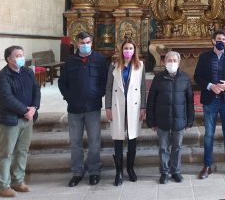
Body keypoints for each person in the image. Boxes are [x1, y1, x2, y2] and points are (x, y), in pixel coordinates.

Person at [58, 32, 109, 187]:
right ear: (77, 43)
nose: (85, 45)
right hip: (74, 108)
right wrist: (69, 97)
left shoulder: (100, 59)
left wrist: (97, 94)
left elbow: (106, 81)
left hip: (93, 107)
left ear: (91, 43)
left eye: (87, 42)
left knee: (94, 141)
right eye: (82, 42)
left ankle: (94, 170)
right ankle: (77, 172)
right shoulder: (70, 61)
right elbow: (62, 82)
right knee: (75, 142)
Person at [194, 29, 225, 179]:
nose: (222, 42)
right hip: (210, 101)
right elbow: (197, 77)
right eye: (219, 39)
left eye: (224, 40)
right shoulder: (204, 57)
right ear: (213, 41)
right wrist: (210, 86)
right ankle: (207, 166)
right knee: (209, 134)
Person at [0, 45, 40, 198]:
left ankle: (18, 181)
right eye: (17, 56)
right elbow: (7, 99)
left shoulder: (27, 72)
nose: (21, 58)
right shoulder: (2, 76)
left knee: (22, 151)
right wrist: (26, 110)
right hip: (10, 120)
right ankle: (3, 186)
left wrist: (34, 107)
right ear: (9, 59)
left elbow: (36, 89)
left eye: (22, 55)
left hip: (27, 118)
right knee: (6, 153)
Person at [146, 51, 194, 184]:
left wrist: (189, 120)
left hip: (179, 119)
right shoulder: (158, 78)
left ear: (179, 63)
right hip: (162, 119)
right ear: (164, 62)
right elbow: (151, 100)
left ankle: (176, 171)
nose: (172, 63)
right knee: (163, 147)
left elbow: (190, 101)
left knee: (177, 147)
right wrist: (151, 121)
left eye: (174, 60)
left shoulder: (185, 78)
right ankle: (164, 172)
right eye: (169, 60)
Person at [105, 38, 147, 186]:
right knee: (118, 137)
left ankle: (130, 169)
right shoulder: (114, 65)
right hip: (117, 105)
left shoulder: (140, 65)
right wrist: (108, 108)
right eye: (125, 48)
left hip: (134, 106)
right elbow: (109, 88)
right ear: (121, 50)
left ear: (134, 50)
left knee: (132, 138)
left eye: (130, 48)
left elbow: (143, 88)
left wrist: (143, 107)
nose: (128, 51)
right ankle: (119, 172)